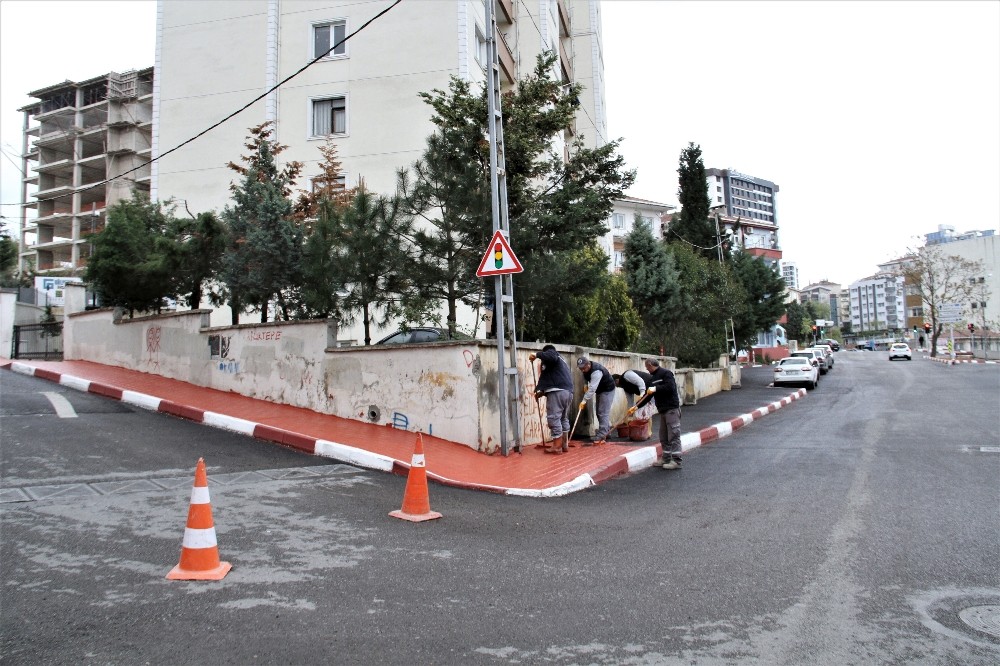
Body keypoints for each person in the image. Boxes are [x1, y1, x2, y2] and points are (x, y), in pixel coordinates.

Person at [635, 358, 682, 469]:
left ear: (650, 365)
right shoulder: (652, 378)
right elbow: (648, 395)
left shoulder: (666, 373)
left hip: (671, 409)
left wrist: (656, 388)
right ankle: (666, 458)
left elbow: (670, 387)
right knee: (663, 436)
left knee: (673, 435)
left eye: (647, 367)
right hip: (663, 410)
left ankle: (676, 461)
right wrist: (636, 406)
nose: (647, 369)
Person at [529, 345, 574, 454]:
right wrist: (542, 392)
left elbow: (550, 356)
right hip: (568, 392)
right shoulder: (561, 360)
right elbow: (555, 378)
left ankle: (557, 447)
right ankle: (564, 445)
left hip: (558, 392)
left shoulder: (553, 354)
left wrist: (536, 354)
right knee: (563, 418)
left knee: (554, 418)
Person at [576, 356, 616, 446]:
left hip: (607, 389)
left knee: (603, 412)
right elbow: (586, 378)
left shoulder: (596, 372)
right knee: (599, 412)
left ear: (588, 364)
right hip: (600, 390)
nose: (582, 370)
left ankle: (602, 435)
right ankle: (606, 432)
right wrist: (585, 385)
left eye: (583, 368)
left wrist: (584, 400)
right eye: (580, 368)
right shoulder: (586, 370)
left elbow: (592, 388)